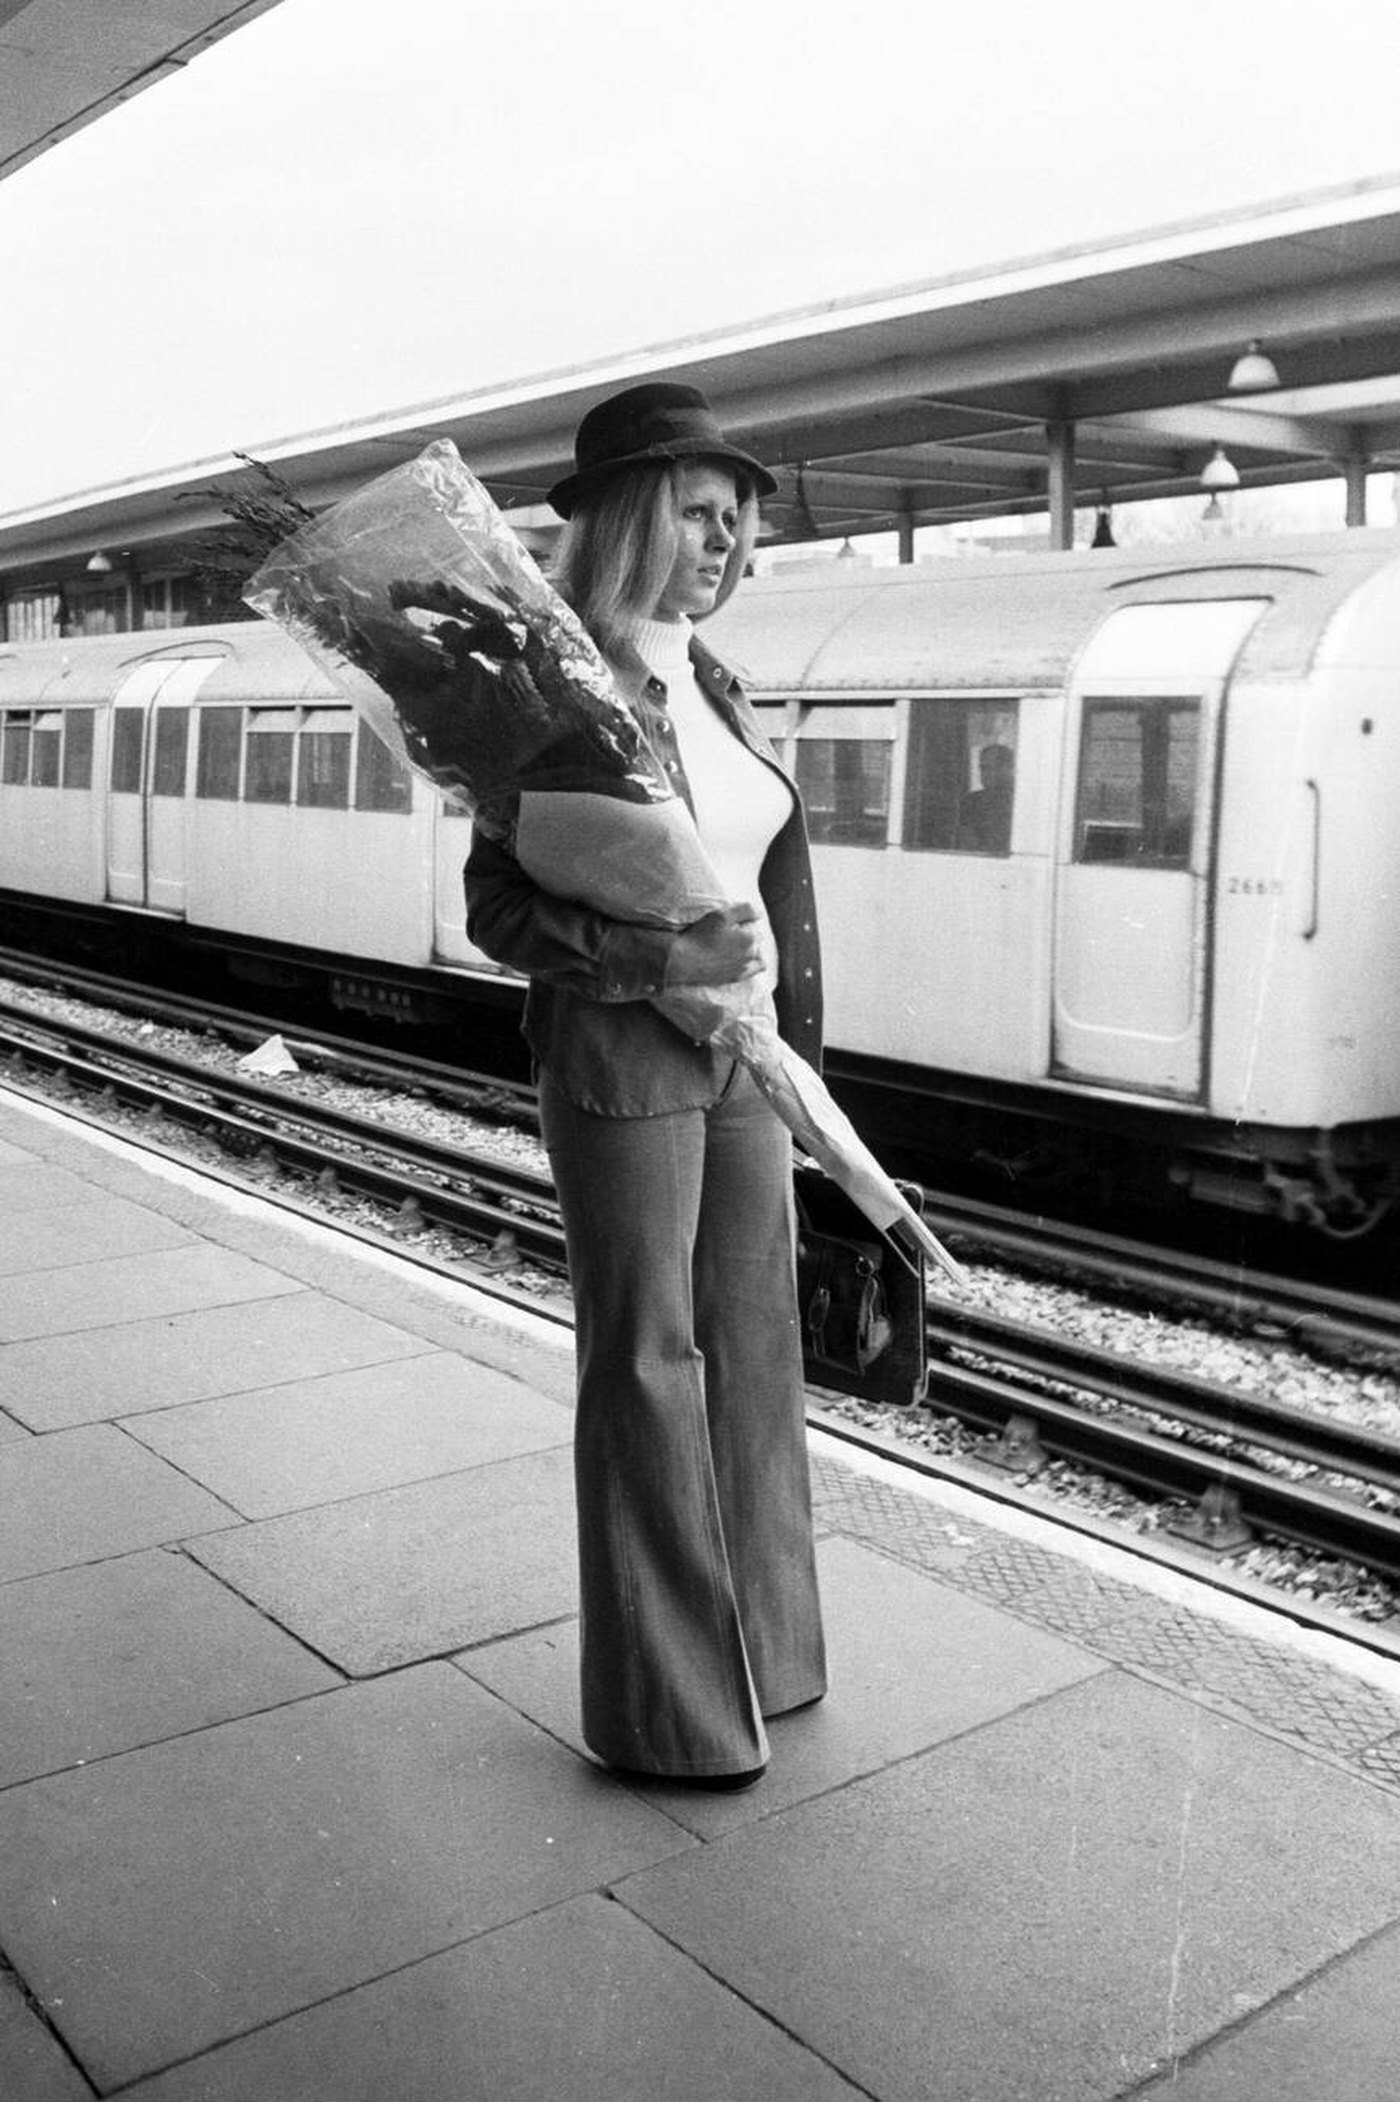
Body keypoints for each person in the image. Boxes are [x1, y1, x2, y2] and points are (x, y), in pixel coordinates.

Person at [463, 383, 827, 1788]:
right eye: (697, 512)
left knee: (755, 1342)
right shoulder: (557, 693)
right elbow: (500, 909)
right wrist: (654, 957)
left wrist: (788, 1042)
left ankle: (769, 1658)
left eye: (738, 517)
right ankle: (667, 1711)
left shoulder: (714, 681)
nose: (726, 539)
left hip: (744, 1049)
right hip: (625, 1052)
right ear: (628, 522)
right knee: (648, 1361)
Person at [956, 740, 1015, 853]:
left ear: (1009, 768)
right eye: (983, 768)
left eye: (994, 767)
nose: (986, 774)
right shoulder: (971, 802)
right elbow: (967, 846)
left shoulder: (1020, 801)